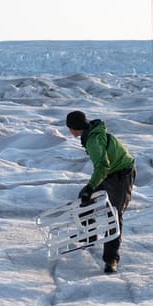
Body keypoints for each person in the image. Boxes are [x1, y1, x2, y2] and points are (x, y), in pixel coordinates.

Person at [65, 110, 136, 274]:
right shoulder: (92, 134)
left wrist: (91, 186)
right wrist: (90, 188)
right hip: (110, 172)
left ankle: (111, 260)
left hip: (122, 174)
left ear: (73, 128)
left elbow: (102, 165)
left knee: (114, 214)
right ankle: (89, 235)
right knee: (84, 199)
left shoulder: (93, 140)